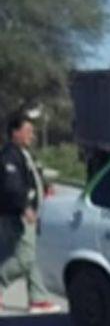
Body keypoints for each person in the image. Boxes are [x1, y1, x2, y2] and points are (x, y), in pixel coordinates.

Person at [0, 113, 60, 313]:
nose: (32, 136)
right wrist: (25, 207)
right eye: (28, 131)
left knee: (32, 257)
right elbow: (12, 187)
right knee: (24, 258)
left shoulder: (22, 154)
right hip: (16, 215)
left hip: (22, 212)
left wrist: (44, 187)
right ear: (15, 132)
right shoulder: (10, 156)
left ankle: (38, 299)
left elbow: (29, 179)